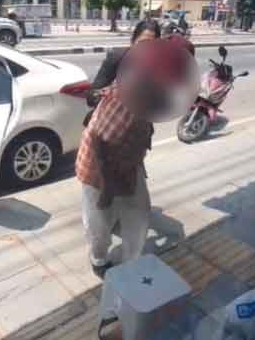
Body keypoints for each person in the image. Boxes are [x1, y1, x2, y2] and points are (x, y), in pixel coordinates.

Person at [77, 40, 190, 278]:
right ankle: (99, 259)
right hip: (97, 166)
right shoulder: (128, 89)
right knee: (100, 220)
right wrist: (107, 189)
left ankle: (130, 263)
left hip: (128, 163)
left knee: (138, 214)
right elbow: (100, 140)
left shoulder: (158, 91)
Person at [83, 19, 160, 126]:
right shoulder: (116, 58)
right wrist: (114, 96)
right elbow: (91, 96)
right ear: (132, 41)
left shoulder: (157, 68)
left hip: (137, 130)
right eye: (142, 43)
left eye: (152, 46)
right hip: (107, 126)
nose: (146, 49)